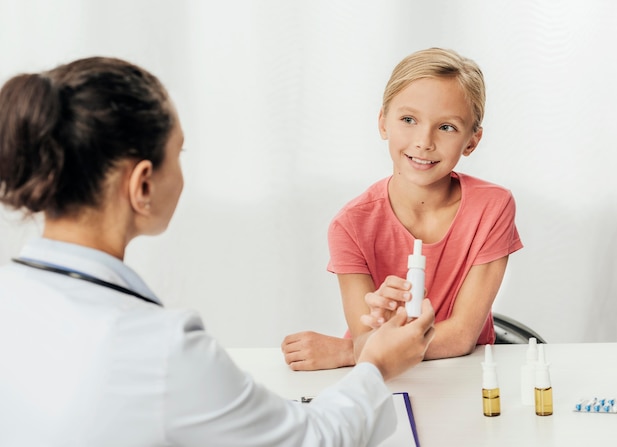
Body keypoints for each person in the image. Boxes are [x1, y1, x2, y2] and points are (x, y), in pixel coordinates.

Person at [0, 57, 436, 447]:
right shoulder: (162, 349)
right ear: (142, 184)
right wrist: (375, 366)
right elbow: (313, 439)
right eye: (179, 153)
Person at [282, 47, 522, 371]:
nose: (424, 141)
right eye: (408, 119)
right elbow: (370, 343)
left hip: (467, 378)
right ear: (383, 123)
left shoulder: (492, 207)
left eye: (447, 127)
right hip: (386, 385)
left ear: (471, 141)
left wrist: (348, 352)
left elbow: (462, 335)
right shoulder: (350, 226)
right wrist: (373, 336)